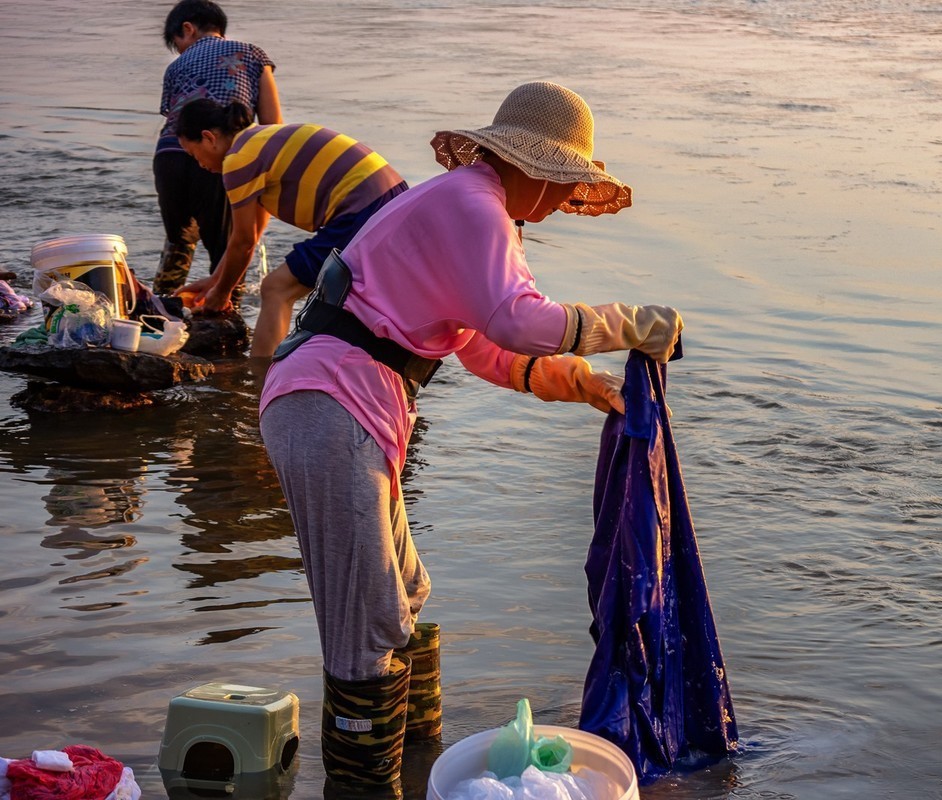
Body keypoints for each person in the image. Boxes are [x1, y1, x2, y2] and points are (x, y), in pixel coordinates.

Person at [257, 81, 685, 791]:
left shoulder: (474, 212)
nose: (558, 203)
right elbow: (519, 320)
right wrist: (626, 322)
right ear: (527, 164)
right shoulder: (471, 203)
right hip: (326, 403)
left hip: (348, 404)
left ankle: (424, 764)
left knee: (404, 594)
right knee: (364, 625)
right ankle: (366, 785)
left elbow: (489, 348)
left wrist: (582, 382)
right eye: (559, 182)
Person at [173, 98, 408, 358]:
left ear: (208, 138)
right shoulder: (257, 141)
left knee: (276, 289)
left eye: (194, 155)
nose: (200, 165)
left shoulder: (238, 159)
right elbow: (253, 233)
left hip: (364, 208)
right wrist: (215, 281)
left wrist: (222, 294)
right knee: (357, 300)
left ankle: (262, 387)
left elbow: (244, 242)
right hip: (394, 198)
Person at [154, 0, 281, 295]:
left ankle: (162, 308)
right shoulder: (252, 54)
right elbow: (272, 124)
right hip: (220, 155)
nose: (181, 51)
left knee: (179, 239)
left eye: (178, 44)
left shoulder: (174, 68)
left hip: (168, 157)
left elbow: (174, 120)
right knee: (227, 244)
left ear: (188, 28)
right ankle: (225, 315)